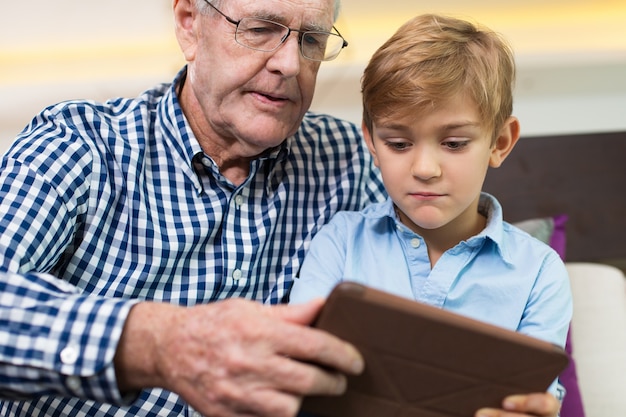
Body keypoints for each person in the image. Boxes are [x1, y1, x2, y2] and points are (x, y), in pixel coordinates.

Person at [0, 0, 562, 415]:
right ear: (189, 23)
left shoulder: (348, 160)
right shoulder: (81, 146)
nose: (290, 63)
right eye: (262, 28)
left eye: (312, 39)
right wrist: (160, 342)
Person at [290, 12, 572, 416]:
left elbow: (534, 397)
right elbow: (302, 366)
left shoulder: (540, 272)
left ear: (500, 142)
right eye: (399, 143)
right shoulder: (339, 242)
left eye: (454, 143)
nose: (425, 168)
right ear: (371, 140)